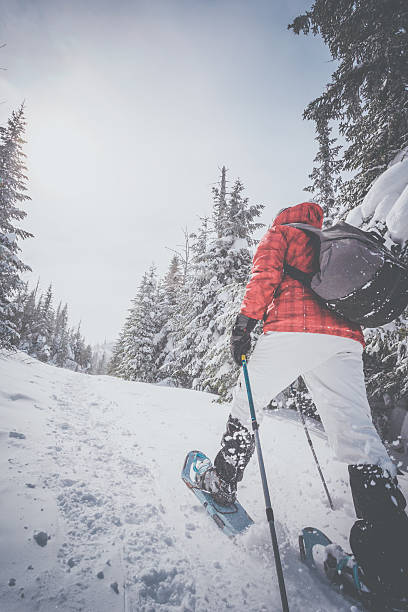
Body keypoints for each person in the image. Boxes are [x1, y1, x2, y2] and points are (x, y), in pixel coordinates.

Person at [195, 202, 408, 604]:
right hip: (346, 341)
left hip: (294, 328)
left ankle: (222, 482)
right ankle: (391, 566)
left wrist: (244, 324)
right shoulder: (329, 241)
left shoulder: (282, 233)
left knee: (247, 402)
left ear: (284, 216)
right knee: (359, 438)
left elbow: (264, 275)